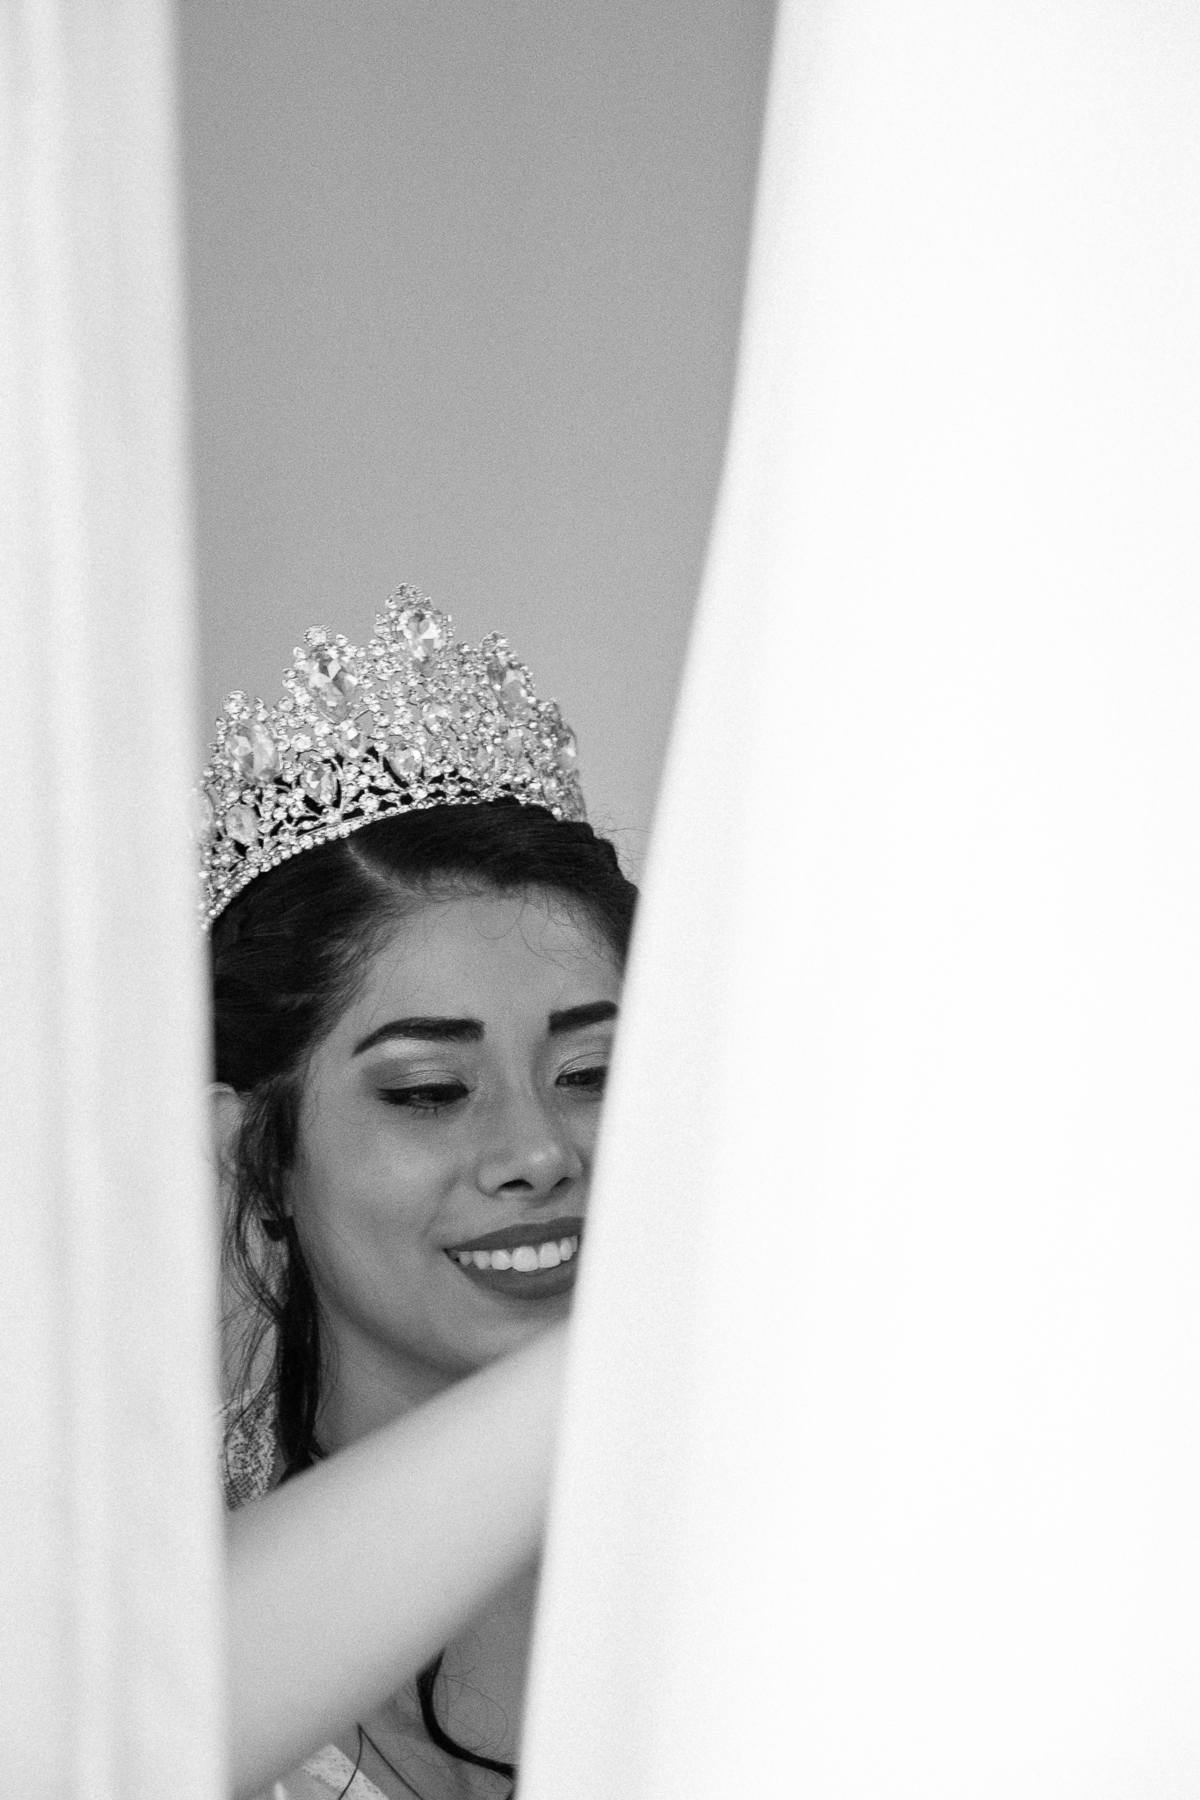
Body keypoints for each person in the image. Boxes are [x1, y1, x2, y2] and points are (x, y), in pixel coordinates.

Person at [199, 587, 638, 1798]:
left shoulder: (805, 1560)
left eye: (592, 1074)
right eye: (430, 1091)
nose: (536, 1151)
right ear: (259, 1155)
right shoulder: (134, 1634)